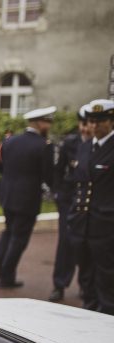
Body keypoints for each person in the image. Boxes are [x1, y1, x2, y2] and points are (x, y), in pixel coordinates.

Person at [0, 106, 55, 288]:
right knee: (19, 237)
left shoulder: (10, 141)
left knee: (8, 231)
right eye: (47, 122)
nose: (49, 125)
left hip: (7, 195)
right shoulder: (44, 145)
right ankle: (7, 276)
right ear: (40, 123)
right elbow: (48, 175)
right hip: (27, 199)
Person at [68, 99, 114, 315]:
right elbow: (78, 183)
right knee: (85, 277)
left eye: (100, 121)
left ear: (111, 122)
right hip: (81, 225)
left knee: (107, 279)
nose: (94, 126)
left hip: (106, 226)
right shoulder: (85, 147)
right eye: (91, 121)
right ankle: (89, 313)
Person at [49, 105, 95, 303]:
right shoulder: (70, 143)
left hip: (90, 203)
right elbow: (57, 172)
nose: (85, 129)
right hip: (69, 200)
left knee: (89, 245)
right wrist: (58, 194)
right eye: (82, 124)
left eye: (88, 124)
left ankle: (87, 287)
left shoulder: (100, 145)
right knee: (66, 243)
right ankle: (59, 285)